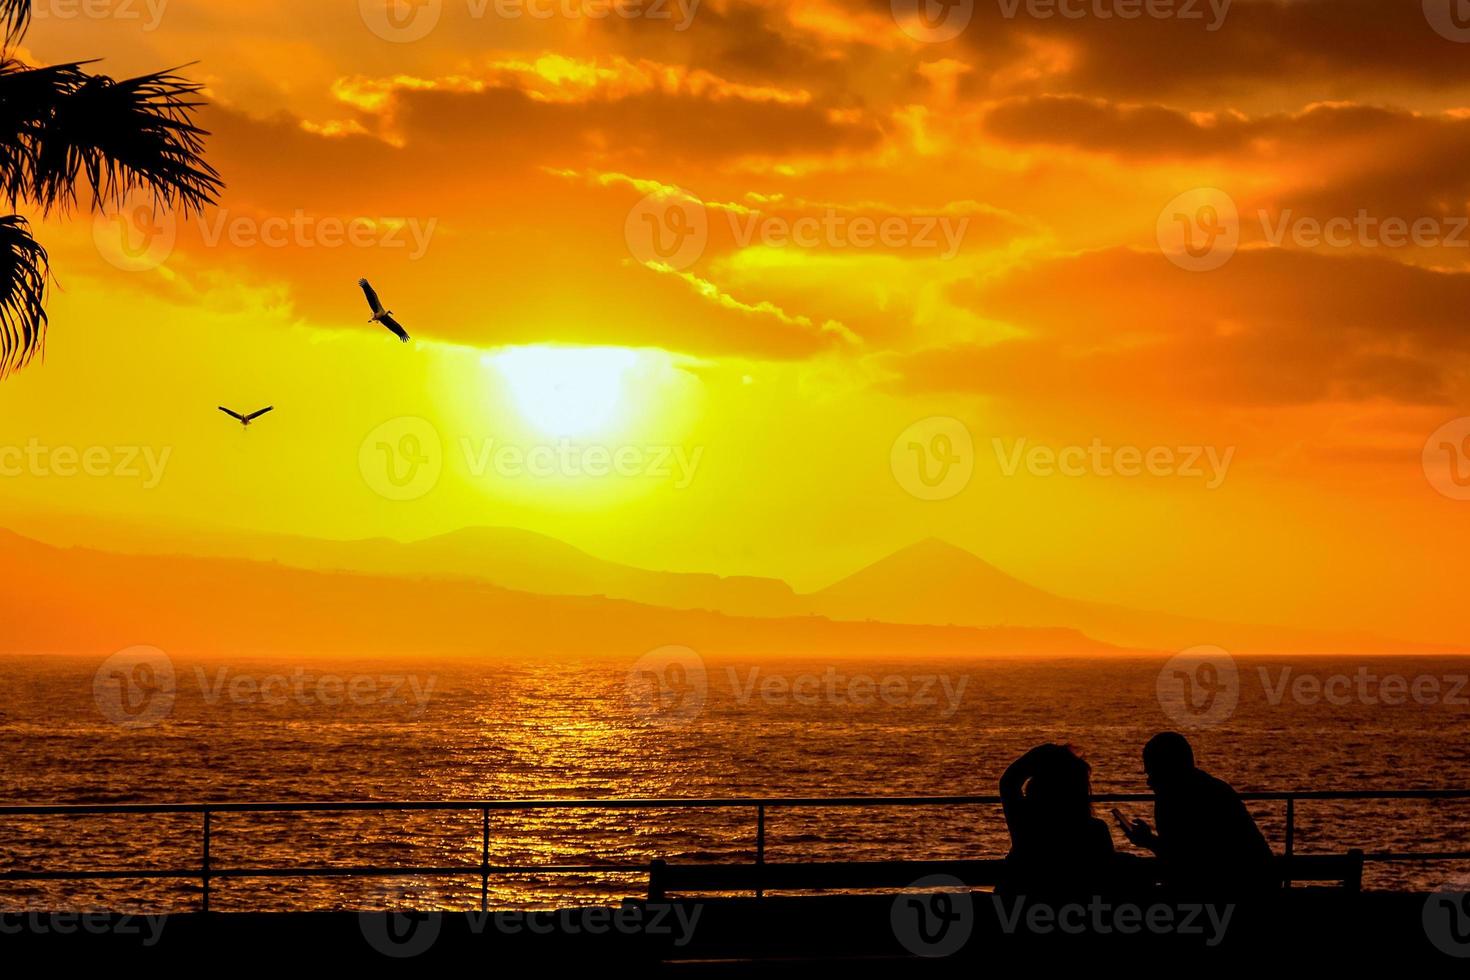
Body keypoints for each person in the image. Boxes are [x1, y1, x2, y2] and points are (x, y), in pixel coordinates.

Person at [1115, 732, 1276, 895]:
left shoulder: (1178, 799)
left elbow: (1188, 862)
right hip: (1253, 882)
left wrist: (1149, 841)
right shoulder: (1214, 789)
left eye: (1152, 773)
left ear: (1169, 770)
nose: (1149, 781)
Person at [999, 743, 1116, 896]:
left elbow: (1009, 782)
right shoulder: (1096, 830)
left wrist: (1043, 753)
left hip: (1021, 907)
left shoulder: (1028, 823)